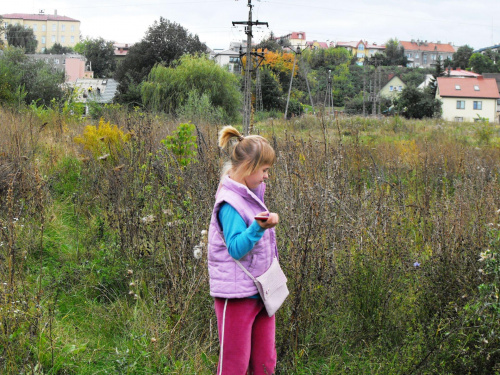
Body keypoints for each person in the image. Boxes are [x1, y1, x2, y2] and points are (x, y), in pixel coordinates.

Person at [208, 125, 279, 375]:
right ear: (249, 168)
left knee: (265, 362)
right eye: (264, 170)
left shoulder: (250, 194)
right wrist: (259, 227)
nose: (267, 177)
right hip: (236, 296)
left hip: (261, 291)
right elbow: (236, 248)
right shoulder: (230, 204)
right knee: (234, 365)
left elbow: (255, 184)